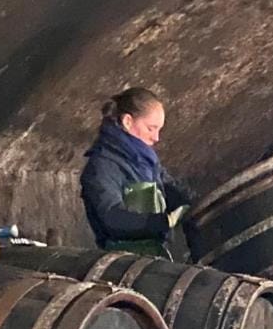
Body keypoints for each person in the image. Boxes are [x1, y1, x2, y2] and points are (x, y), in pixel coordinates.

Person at [80, 87, 193, 251]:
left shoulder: (147, 161)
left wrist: (189, 204)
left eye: (159, 130)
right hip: (123, 259)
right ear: (127, 121)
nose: (156, 137)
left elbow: (171, 189)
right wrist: (162, 222)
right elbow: (112, 218)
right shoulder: (102, 166)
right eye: (150, 128)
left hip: (155, 254)